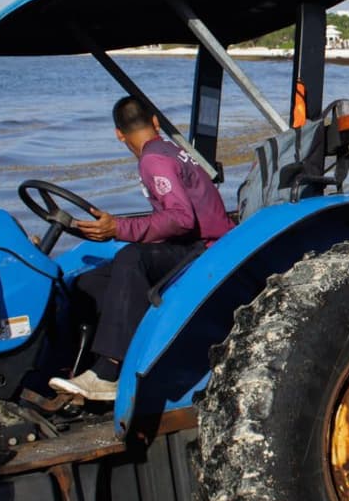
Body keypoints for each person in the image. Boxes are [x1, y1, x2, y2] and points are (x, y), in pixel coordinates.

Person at [49, 96, 234, 401]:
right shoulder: (172, 150)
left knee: (131, 257)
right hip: (201, 241)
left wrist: (118, 229)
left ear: (118, 134)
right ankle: (81, 365)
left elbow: (181, 218)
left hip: (207, 248)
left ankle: (111, 370)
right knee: (88, 281)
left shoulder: (153, 160)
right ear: (156, 123)